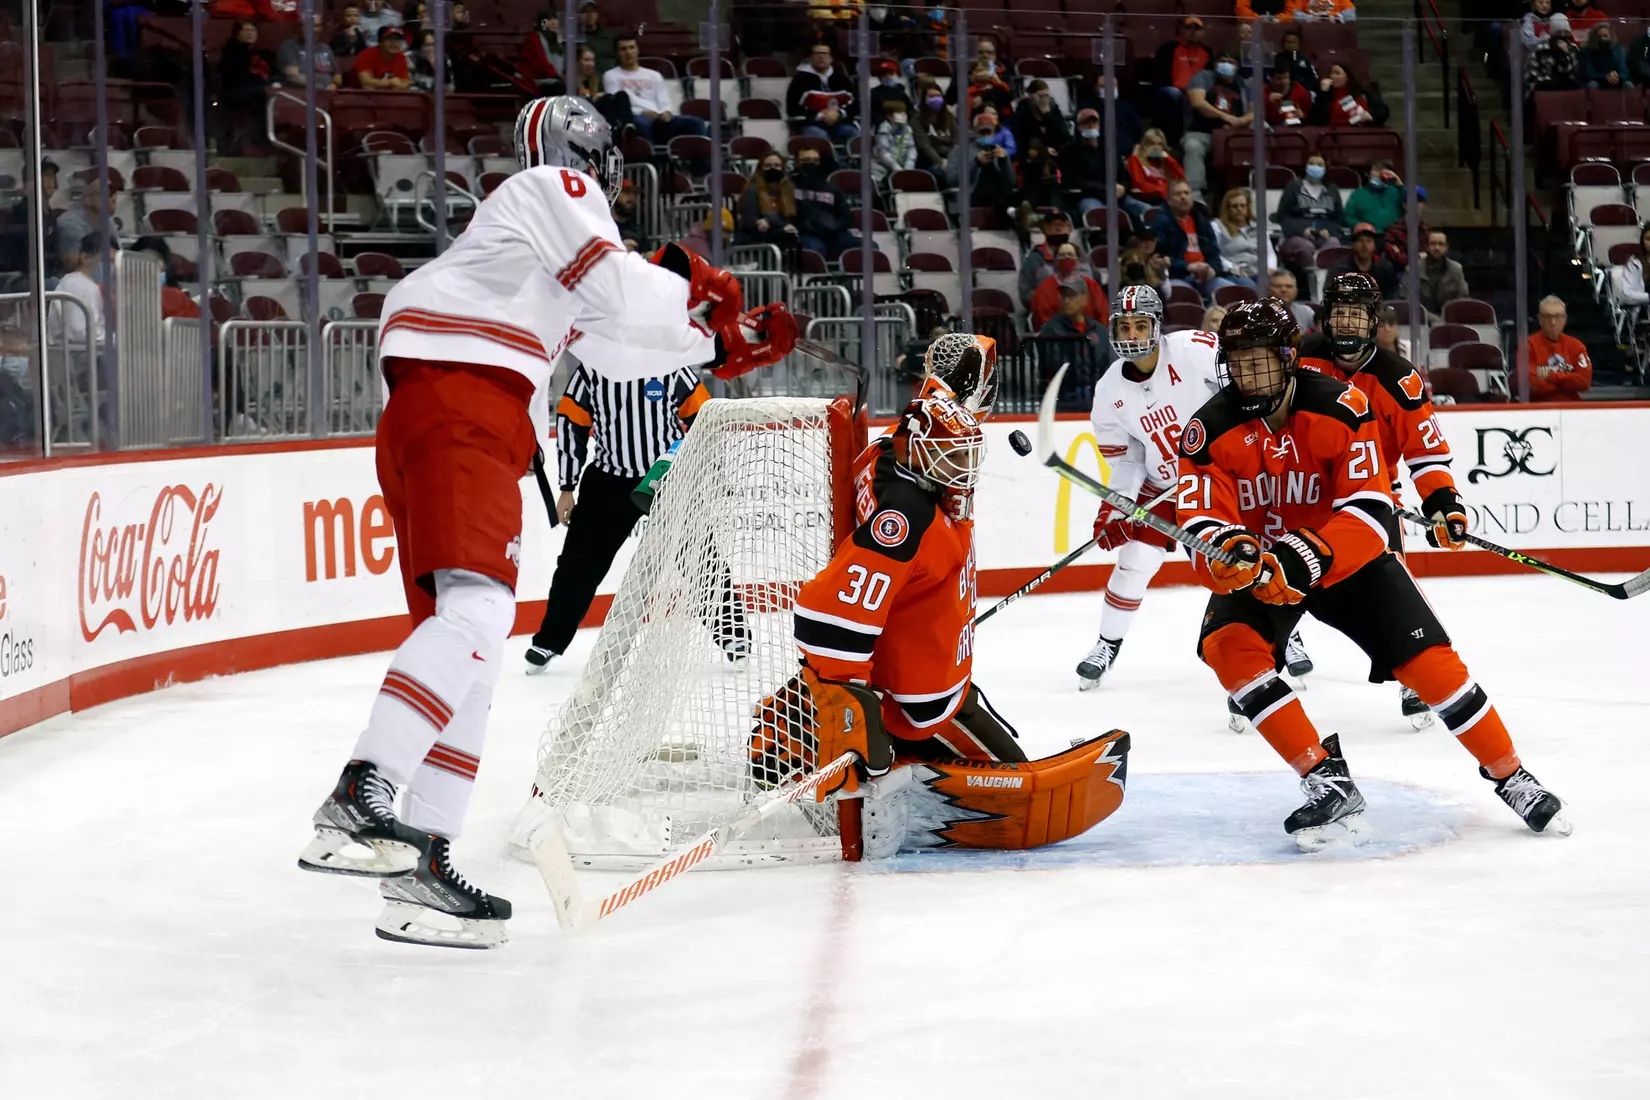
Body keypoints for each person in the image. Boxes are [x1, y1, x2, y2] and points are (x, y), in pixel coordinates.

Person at [295, 96, 798, 949]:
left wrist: (718, 344)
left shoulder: (547, 259)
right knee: (482, 617)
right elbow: (622, 289)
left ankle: (422, 875)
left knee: (474, 654)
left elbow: (616, 343)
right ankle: (361, 790)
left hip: (458, 406)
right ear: (589, 155)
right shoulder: (550, 186)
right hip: (465, 396)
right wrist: (696, 294)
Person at [1177, 298, 1570, 846]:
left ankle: (1511, 775)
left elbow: (1371, 510)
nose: (1246, 374)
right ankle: (1325, 778)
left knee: (1432, 668)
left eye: (1259, 360)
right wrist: (1230, 555)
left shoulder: (1343, 406)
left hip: (1345, 563)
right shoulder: (1207, 428)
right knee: (1228, 646)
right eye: (1236, 361)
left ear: (1289, 357)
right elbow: (1200, 520)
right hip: (1266, 568)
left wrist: (1303, 554)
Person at [760, 388, 1131, 855]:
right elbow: (826, 614)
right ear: (917, 452)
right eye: (951, 458)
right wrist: (850, 706)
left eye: (967, 457)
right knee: (1010, 779)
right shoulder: (908, 517)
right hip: (919, 705)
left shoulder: (921, 482)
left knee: (997, 754)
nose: (964, 471)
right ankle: (800, 737)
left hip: (930, 684)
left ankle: (802, 734)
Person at [1299, 272, 1460, 722]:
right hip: (1301, 493)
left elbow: (1426, 452)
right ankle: (1259, 666)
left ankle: (1414, 675)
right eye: (1339, 312)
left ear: (1374, 321)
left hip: (1368, 500)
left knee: (1390, 594)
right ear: (1326, 316)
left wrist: (1443, 502)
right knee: (1278, 580)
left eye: (1357, 313)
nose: (1347, 322)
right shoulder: (1301, 356)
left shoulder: (1398, 378)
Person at [523, 358, 744, 672]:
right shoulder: (592, 371)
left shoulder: (671, 368)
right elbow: (571, 424)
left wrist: (707, 472)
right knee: (577, 566)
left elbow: (705, 419)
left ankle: (733, 635)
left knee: (699, 556)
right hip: (608, 480)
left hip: (667, 477)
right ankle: (548, 642)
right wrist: (567, 486)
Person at [1073, 284, 1224, 690]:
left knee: (1238, 562)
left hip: (1218, 482)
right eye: (1125, 326)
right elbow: (1128, 458)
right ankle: (1107, 645)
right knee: (1135, 561)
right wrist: (1115, 507)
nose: (1133, 335)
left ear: (1157, 325)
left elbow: (1243, 392)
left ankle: (1286, 636)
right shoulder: (1108, 391)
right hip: (1163, 485)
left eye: (1141, 325)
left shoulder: (1194, 349)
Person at [1155, 179, 1251, 302]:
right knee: (1184, 293)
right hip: (1178, 276)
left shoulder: (1201, 221)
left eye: (1186, 193)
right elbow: (1160, 258)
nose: (1183, 197)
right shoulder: (1161, 222)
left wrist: (1212, 270)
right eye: (1178, 194)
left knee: (1228, 291)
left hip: (1205, 277)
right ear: (1168, 200)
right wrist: (1188, 266)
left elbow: (1214, 254)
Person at [604, 35, 706, 146]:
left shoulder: (654, 75)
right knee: (641, 124)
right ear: (617, 53)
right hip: (635, 117)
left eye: (631, 47)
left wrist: (666, 112)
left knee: (696, 123)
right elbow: (617, 105)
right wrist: (642, 112)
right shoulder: (611, 75)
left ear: (637, 50)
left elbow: (664, 100)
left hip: (658, 116)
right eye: (623, 49)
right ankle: (653, 160)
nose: (628, 52)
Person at [1183, 50, 1252, 200]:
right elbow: (1197, 102)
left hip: (1235, 133)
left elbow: (1255, 112)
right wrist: (1225, 117)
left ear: (1237, 66)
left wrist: (1240, 121)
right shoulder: (1203, 77)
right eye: (1222, 61)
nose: (1226, 65)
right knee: (1193, 146)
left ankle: (1246, 191)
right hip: (1203, 132)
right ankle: (1194, 194)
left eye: (1231, 62)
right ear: (1215, 63)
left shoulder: (1245, 84)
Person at [1277, 153, 1345, 266]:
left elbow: (1338, 218)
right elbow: (1283, 216)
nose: (1315, 167)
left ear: (1325, 168)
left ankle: (1327, 280)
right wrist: (1301, 230)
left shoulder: (1332, 189)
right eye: (1312, 164)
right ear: (1305, 166)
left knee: (1334, 244)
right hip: (1297, 236)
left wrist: (1329, 230)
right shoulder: (1294, 186)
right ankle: (1310, 280)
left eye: (1319, 164)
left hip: (1324, 235)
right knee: (1306, 248)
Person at [217, 20, 275, 153]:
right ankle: (261, 141)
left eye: (253, 30)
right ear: (237, 35)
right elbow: (237, 77)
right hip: (234, 93)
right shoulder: (232, 52)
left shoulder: (256, 53)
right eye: (246, 31)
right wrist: (263, 83)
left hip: (253, 91)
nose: (250, 34)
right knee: (263, 96)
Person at [792, 147, 859, 260]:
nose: (811, 164)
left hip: (833, 233)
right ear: (797, 163)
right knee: (814, 250)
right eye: (806, 160)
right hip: (806, 234)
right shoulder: (789, 186)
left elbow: (846, 216)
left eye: (815, 160)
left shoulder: (832, 189)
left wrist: (835, 226)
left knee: (867, 247)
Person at [787, 41, 858, 146]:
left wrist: (839, 113)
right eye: (817, 53)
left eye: (824, 53)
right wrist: (820, 115)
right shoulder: (799, 80)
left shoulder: (842, 79)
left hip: (839, 123)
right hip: (811, 124)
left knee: (854, 134)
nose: (821, 57)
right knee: (821, 137)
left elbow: (854, 105)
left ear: (831, 58)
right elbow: (793, 109)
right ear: (811, 57)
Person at [1152, 16, 1211, 140]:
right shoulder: (1169, 48)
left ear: (1203, 32)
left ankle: (1188, 136)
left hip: (1197, 93)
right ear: (1182, 30)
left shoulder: (1207, 52)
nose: (1193, 32)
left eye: (1197, 28)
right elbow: (1157, 75)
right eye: (1189, 28)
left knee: (1195, 97)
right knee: (1176, 94)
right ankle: (1181, 136)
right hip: (1170, 90)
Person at [1527, 295, 1594, 399]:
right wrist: (1568, 383)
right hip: (1539, 410)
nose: (1553, 322)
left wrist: (1550, 376)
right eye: (1548, 316)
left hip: (1572, 409)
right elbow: (1531, 384)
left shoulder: (1576, 346)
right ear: (1540, 319)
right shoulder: (1529, 345)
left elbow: (1584, 382)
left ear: (1564, 319)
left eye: (1557, 316)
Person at [1029, 242, 1108, 331]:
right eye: (1062, 255)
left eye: (1070, 254)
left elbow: (1103, 316)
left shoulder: (1092, 286)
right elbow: (1042, 322)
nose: (1066, 258)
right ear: (1055, 260)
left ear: (1077, 260)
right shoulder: (1044, 290)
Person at [951, 113, 1017, 211]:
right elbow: (951, 179)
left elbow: (1011, 183)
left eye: (988, 132)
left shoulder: (999, 152)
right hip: (971, 195)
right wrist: (976, 163)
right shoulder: (959, 151)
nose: (986, 135)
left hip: (998, 196)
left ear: (993, 133)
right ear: (974, 132)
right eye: (982, 132)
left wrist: (1005, 161)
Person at [736, 152, 799, 253]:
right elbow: (749, 219)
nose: (772, 169)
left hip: (781, 232)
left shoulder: (789, 188)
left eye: (777, 165)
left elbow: (790, 215)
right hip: (758, 236)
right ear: (760, 169)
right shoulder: (752, 189)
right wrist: (767, 222)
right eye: (768, 166)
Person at [1039, 283, 1112, 369]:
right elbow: (1057, 365)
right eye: (1064, 296)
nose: (1067, 301)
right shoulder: (1051, 330)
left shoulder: (1099, 330)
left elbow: (1105, 363)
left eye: (1071, 296)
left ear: (1085, 299)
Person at [1019, 210, 1077, 308]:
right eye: (1057, 226)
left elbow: (1094, 281)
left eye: (1065, 226)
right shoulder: (1034, 259)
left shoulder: (1079, 255)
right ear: (1045, 228)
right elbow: (1025, 295)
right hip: (1048, 312)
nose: (1061, 230)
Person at [1211, 188, 1269, 282]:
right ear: (1227, 209)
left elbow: (1269, 252)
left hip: (1259, 271)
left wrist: (1270, 268)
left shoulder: (1257, 226)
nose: (1239, 209)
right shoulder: (1217, 226)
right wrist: (1233, 268)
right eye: (1234, 206)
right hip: (1234, 273)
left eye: (1243, 206)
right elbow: (1214, 254)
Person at [1331, 222, 1400, 297]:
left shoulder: (1385, 269)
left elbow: (1392, 298)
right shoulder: (1340, 269)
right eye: (1360, 240)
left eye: (1369, 241)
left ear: (1374, 245)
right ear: (1353, 245)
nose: (1365, 245)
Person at [276, 11, 340, 90]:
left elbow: (337, 74)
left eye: (317, 26)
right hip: (302, 94)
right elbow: (293, 76)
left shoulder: (325, 48)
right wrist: (320, 88)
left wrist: (335, 84)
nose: (314, 30)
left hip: (328, 94)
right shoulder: (289, 46)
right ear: (298, 27)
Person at [1125, 127, 1185, 211]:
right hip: (1150, 201)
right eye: (1152, 144)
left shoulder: (1166, 162)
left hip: (1169, 200)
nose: (1156, 147)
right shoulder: (1136, 160)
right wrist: (1161, 189)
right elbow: (1139, 184)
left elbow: (1181, 180)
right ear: (1145, 145)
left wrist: (1169, 159)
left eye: (1160, 144)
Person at [912, 75, 957, 182]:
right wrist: (941, 163)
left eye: (938, 96)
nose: (936, 99)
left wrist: (953, 161)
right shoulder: (917, 119)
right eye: (931, 96)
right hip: (928, 162)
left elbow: (958, 141)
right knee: (945, 174)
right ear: (924, 99)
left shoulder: (949, 117)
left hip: (951, 159)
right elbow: (925, 147)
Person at [1343, 160, 1404, 235]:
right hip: (1370, 236)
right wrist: (1361, 225)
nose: (1380, 173)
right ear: (1368, 174)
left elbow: (1414, 207)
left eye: (1384, 170)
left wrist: (1400, 185)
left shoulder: (1396, 192)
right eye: (1376, 170)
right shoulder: (1357, 194)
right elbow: (1348, 217)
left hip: (1395, 235)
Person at [1527, 13, 1582, 95]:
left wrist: (1565, 54)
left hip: (1564, 85)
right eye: (1559, 32)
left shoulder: (1573, 49)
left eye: (1566, 32)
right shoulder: (1541, 49)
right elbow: (1533, 73)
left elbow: (1574, 72)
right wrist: (1548, 80)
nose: (1563, 35)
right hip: (1543, 84)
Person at [1309, 63, 1377, 127]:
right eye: (1331, 73)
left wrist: (1370, 115)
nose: (1332, 76)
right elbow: (1316, 119)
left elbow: (1382, 111)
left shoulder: (1359, 94)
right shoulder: (1326, 94)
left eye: (1337, 73)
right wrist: (1322, 93)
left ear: (1347, 77)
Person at [1419, 230, 1469, 315]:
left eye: (1441, 244)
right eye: (1433, 244)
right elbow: (1409, 304)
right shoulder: (1413, 270)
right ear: (1427, 246)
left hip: (1450, 319)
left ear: (1446, 247)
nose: (1437, 248)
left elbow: (1463, 299)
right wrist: (1436, 320)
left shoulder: (1456, 270)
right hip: (1421, 322)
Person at [1012, 79, 1069, 153]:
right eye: (1040, 96)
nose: (1044, 99)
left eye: (1046, 95)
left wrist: (1048, 115)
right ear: (1030, 95)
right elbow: (1020, 136)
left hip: (1054, 149)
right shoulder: (1023, 109)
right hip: (1032, 151)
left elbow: (1063, 136)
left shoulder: (1053, 107)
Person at [871, 99, 917, 186]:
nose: (903, 115)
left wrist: (909, 165)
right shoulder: (883, 129)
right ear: (889, 116)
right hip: (882, 169)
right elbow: (883, 152)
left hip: (902, 167)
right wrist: (895, 167)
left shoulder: (907, 129)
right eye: (899, 113)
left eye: (904, 113)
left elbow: (911, 148)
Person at [519, 11, 565, 93]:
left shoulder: (559, 40)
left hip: (555, 79)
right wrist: (556, 76)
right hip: (538, 80)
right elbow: (540, 62)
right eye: (549, 20)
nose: (554, 22)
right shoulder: (534, 38)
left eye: (555, 19)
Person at [355, 26, 412, 90]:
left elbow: (405, 82)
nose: (394, 43)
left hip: (386, 97)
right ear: (380, 41)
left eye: (398, 39)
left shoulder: (401, 57)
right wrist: (389, 82)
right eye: (390, 39)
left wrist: (400, 86)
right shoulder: (367, 54)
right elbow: (366, 82)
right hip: (355, 95)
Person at [1580, 22, 1632, 87]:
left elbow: (1624, 71)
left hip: (1616, 80)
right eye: (1599, 37)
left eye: (1605, 36)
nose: (1602, 39)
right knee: (1592, 85)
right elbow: (1589, 73)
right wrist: (1606, 76)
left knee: (1628, 84)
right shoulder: (1587, 50)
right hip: (1598, 80)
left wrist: (1616, 76)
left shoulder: (1618, 49)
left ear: (1610, 37)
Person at [1265, 63, 1314, 127]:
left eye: (1286, 77)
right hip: (1272, 130)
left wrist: (1303, 115)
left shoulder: (1300, 90)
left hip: (1295, 129)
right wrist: (1266, 101)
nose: (1283, 82)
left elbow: (1311, 115)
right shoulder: (1264, 92)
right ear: (1271, 79)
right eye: (1278, 78)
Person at [577, 0, 619, 74]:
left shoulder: (610, 35)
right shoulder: (576, 38)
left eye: (593, 11)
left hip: (611, 76)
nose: (590, 15)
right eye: (585, 12)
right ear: (579, 15)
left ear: (597, 14)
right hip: (589, 79)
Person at [610, 180, 650, 252]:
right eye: (626, 193)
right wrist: (621, 247)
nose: (632, 198)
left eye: (634, 194)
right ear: (613, 196)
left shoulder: (638, 230)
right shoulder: (605, 227)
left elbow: (648, 254)